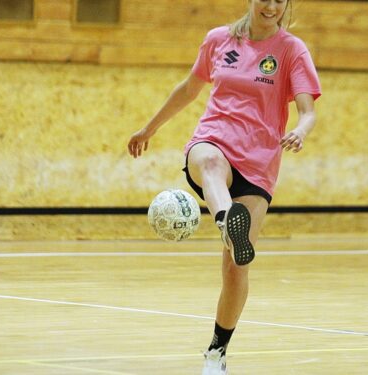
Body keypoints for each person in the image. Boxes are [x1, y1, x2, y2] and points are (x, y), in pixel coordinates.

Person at [127, 0, 321, 373]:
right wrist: (148, 128)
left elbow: (308, 110)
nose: (271, 5)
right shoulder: (218, 40)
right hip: (212, 141)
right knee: (212, 163)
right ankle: (225, 220)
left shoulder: (291, 50)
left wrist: (300, 130)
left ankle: (217, 349)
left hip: (259, 162)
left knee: (235, 267)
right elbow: (188, 89)